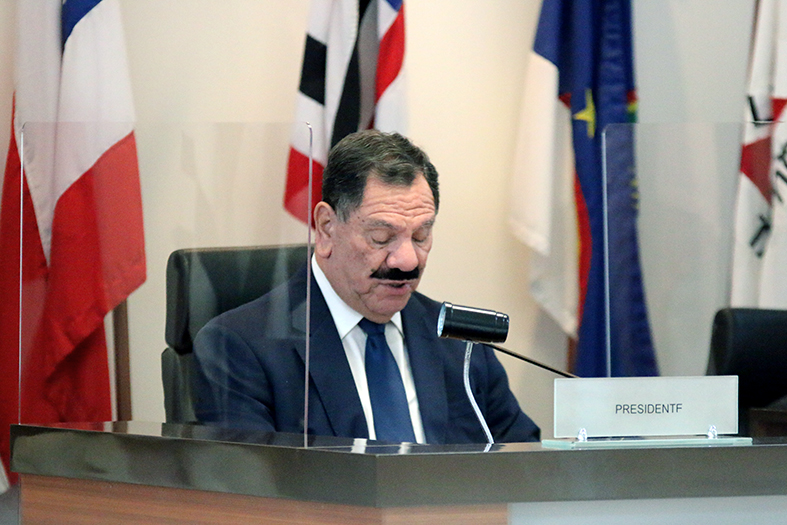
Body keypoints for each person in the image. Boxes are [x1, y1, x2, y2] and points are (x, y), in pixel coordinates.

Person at [192, 130, 540, 444]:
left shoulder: (459, 343)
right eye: (381, 237)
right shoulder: (240, 347)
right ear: (327, 228)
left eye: (421, 236)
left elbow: (526, 464)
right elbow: (252, 493)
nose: (406, 260)